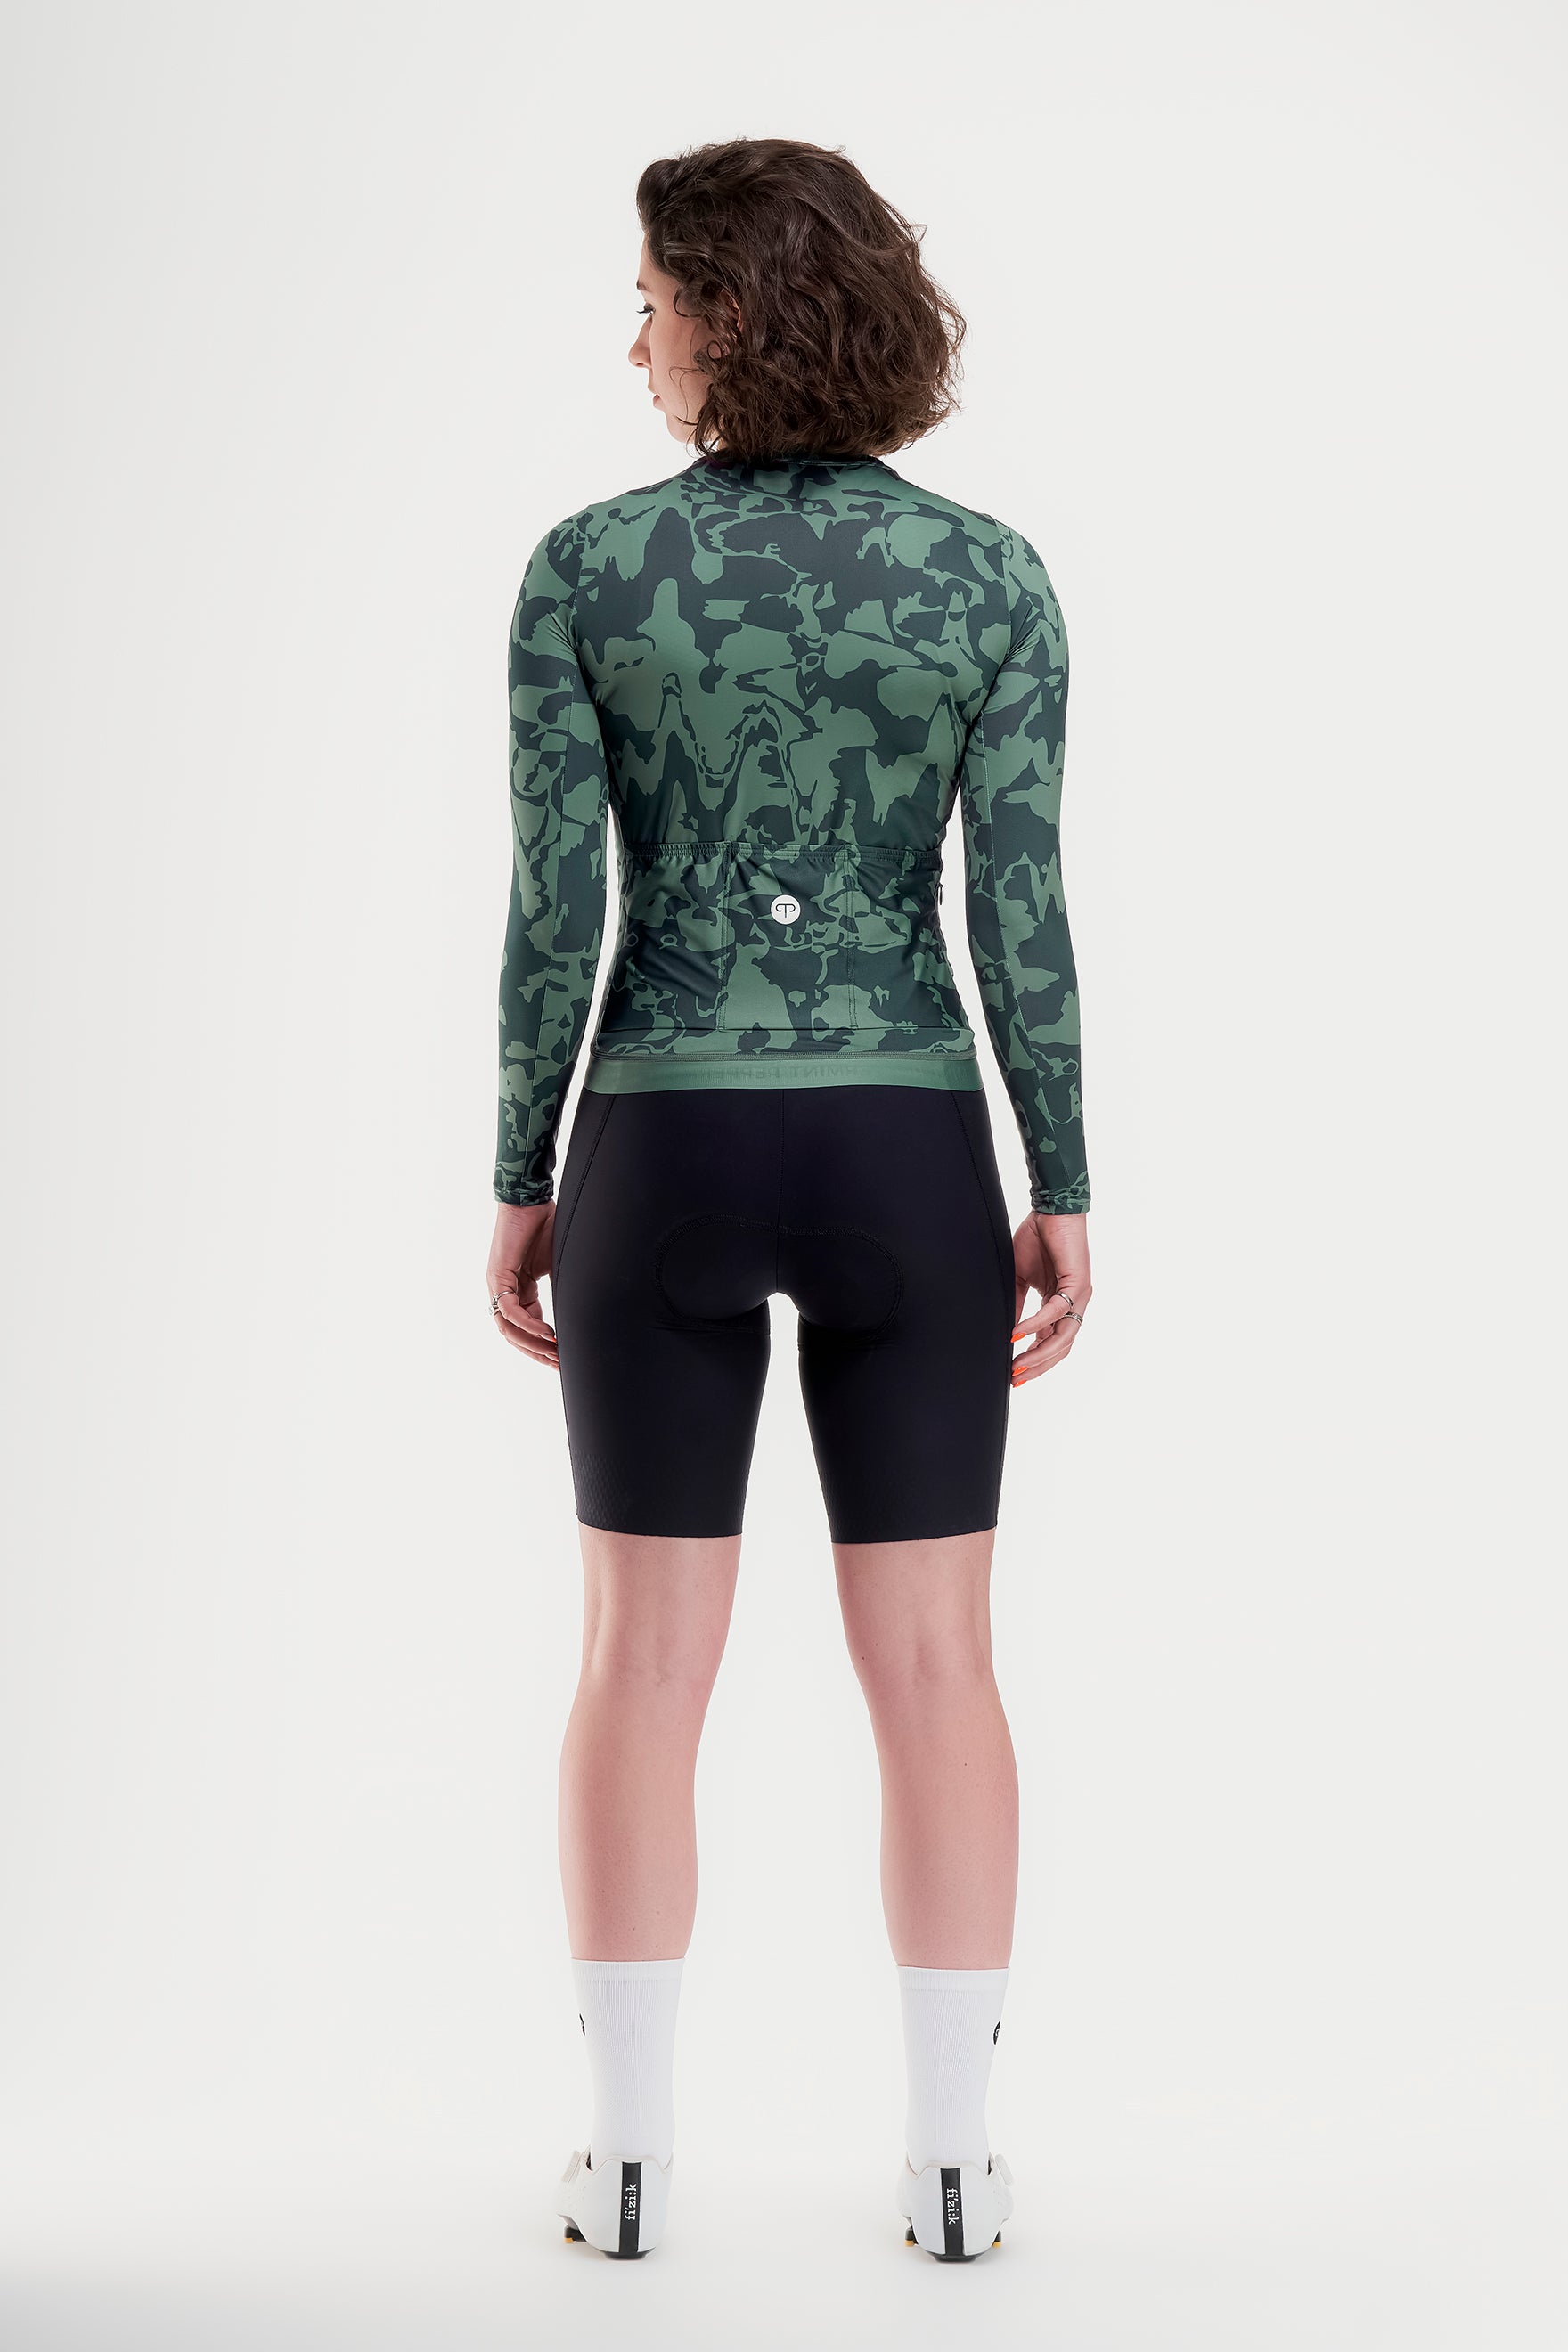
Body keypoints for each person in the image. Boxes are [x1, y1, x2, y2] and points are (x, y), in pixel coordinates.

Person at [486, 135, 1091, 2263]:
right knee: (935, 1665)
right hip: (906, 1147)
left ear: (727, 315)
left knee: (640, 1662)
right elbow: (1015, 903)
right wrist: (1062, 1175)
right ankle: (955, 2164)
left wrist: (519, 1172)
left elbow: (556, 905)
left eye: (651, 299)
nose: (632, 339)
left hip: (659, 1139)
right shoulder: (989, 578)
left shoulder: (587, 570)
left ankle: (631, 2159)